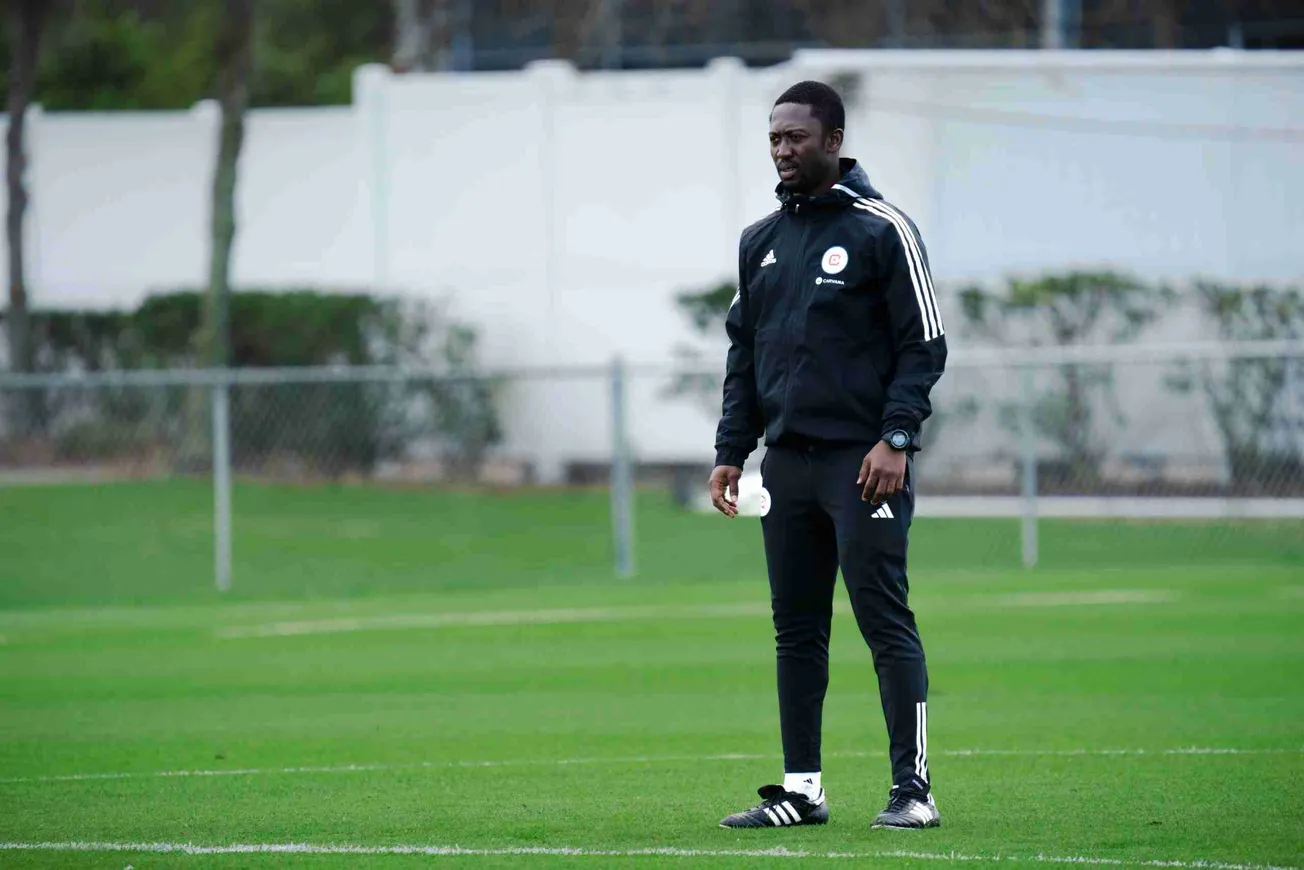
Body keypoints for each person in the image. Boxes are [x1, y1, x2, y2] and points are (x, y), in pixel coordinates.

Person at [710, 80, 947, 831]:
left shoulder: (883, 230)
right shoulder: (760, 241)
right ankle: (802, 790)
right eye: (774, 139)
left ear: (834, 141)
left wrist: (896, 437)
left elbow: (924, 346)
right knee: (797, 629)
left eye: (796, 138)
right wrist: (731, 450)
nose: (782, 150)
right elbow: (745, 356)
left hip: (864, 464)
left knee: (883, 620)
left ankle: (913, 790)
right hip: (786, 466)